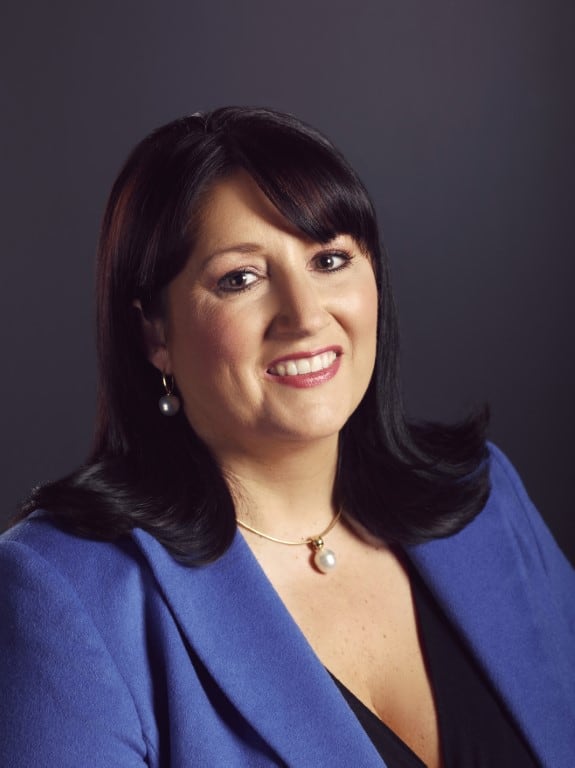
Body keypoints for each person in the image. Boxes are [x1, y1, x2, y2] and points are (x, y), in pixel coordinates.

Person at [0, 107, 573, 768]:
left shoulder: (482, 500)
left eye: (329, 259)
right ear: (155, 334)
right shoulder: (61, 595)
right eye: (240, 279)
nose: (304, 316)